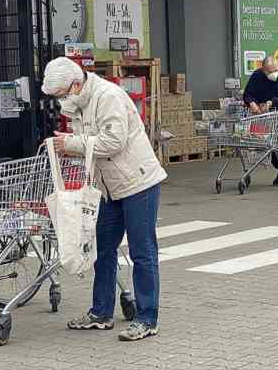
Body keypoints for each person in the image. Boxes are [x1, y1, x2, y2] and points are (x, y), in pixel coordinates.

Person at [42, 57, 167, 342]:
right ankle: (101, 312)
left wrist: (71, 144)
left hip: (138, 182)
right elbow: (88, 141)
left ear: (75, 84)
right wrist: (68, 143)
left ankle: (147, 318)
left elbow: (113, 141)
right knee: (102, 249)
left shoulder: (107, 95)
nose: (61, 101)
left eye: (61, 94)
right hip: (109, 187)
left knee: (142, 252)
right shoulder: (78, 101)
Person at [243, 56, 278, 187]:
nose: (274, 73)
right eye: (270, 71)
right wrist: (252, 103)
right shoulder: (257, 76)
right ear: (263, 69)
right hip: (270, 116)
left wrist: (272, 102)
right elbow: (247, 94)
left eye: (275, 69)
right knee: (272, 144)